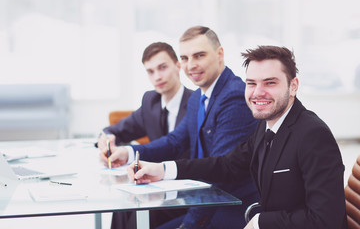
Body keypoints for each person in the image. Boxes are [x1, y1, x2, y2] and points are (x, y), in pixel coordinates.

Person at [128, 45, 348, 229]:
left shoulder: (313, 135)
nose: (258, 92)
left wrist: (261, 221)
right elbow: (227, 164)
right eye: (251, 83)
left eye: (270, 83)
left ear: (293, 86)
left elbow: (325, 220)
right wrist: (164, 170)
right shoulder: (267, 126)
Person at [100, 26, 258, 228]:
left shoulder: (234, 96)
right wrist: (129, 152)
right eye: (185, 58)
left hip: (232, 207)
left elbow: (221, 172)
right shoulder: (199, 98)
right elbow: (175, 141)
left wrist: (188, 225)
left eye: (199, 55)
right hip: (206, 200)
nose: (191, 65)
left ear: (220, 54)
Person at [97, 42, 193, 229]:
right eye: (150, 71)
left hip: (183, 191)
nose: (157, 76)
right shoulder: (151, 101)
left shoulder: (195, 102)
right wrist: (106, 137)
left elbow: (173, 145)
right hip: (153, 187)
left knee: (141, 209)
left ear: (178, 65)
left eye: (162, 68)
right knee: (123, 206)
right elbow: (118, 129)